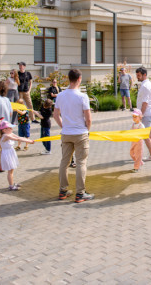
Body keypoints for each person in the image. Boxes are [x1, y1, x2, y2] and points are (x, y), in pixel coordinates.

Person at [53, 69, 94, 203]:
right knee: (81, 162)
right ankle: (80, 193)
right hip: (80, 133)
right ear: (79, 79)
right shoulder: (82, 97)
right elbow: (88, 118)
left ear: (68, 79)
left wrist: (63, 126)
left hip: (66, 133)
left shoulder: (60, 95)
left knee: (64, 162)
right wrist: (87, 130)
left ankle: (63, 190)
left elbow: (55, 115)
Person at [0, 120, 34, 190]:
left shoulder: (9, 134)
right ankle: (11, 186)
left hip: (10, 152)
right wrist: (29, 141)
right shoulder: (6, 136)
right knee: (10, 171)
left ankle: (12, 183)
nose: (12, 129)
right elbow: (17, 139)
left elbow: (19, 137)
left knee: (12, 170)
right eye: (10, 128)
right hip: (7, 154)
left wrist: (29, 141)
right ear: (4, 130)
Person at [136, 67, 151, 161]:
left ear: (144, 74)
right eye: (137, 75)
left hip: (146, 113)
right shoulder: (147, 84)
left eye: (139, 75)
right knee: (146, 134)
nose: (137, 77)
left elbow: (145, 102)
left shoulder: (145, 86)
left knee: (145, 135)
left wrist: (141, 114)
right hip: (149, 112)